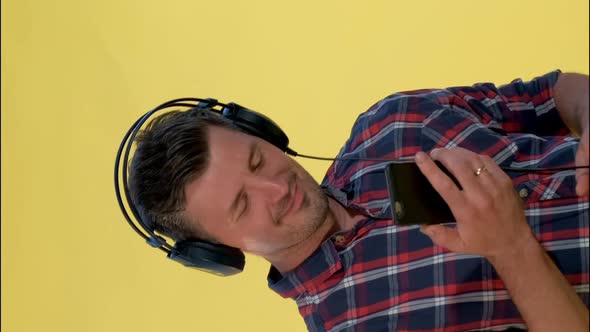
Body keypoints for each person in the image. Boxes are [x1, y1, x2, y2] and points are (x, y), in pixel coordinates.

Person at [128, 70, 589, 331]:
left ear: (266, 135)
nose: (276, 188)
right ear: (222, 251)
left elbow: (549, 95)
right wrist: (511, 249)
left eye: (256, 161)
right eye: (241, 206)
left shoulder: (390, 121)